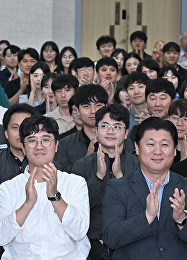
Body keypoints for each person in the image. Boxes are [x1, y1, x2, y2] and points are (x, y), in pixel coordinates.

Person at [0, 114, 90, 259]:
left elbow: (79, 232)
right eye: (31, 141)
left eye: (46, 140)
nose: (39, 146)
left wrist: (55, 196)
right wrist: (27, 204)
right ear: (24, 148)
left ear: (56, 146)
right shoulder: (7, 188)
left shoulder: (75, 183)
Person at [102, 117, 187, 259]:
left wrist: (181, 219)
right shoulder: (118, 188)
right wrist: (146, 217)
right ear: (137, 148)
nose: (157, 151)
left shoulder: (184, 186)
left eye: (165, 145)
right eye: (150, 144)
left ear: (174, 150)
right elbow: (111, 238)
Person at [71, 104, 140, 259]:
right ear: (96, 131)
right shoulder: (81, 165)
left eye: (117, 127)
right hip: (91, 244)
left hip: (129, 242)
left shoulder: (138, 164)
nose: (110, 131)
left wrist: (120, 178)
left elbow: (138, 208)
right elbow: (78, 209)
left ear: (126, 133)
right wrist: (98, 177)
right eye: (104, 126)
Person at [0, 103, 39, 260]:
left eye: (26, 127)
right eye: (15, 127)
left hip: (40, 230)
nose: (21, 133)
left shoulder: (45, 164)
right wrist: (17, 214)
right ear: (6, 133)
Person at [56, 84, 108, 172]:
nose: (93, 111)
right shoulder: (63, 144)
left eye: (98, 105)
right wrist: (86, 161)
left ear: (106, 107)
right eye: (86, 106)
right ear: (77, 111)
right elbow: (62, 178)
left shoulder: (120, 141)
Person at [129, 78, 176, 142]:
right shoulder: (137, 130)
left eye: (163, 98)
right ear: (146, 103)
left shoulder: (180, 127)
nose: (157, 104)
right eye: (153, 99)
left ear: (173, 102)